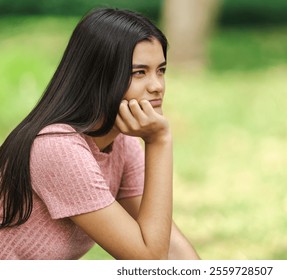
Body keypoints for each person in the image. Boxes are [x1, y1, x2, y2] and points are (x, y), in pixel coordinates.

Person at [0, 7, 200, 260]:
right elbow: (148, 261)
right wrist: (159, 141)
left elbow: (169, 246)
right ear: (99, 76)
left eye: (161, 70)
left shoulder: (122, 143)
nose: (157, 86)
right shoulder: (56, 147)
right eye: (139, 73)